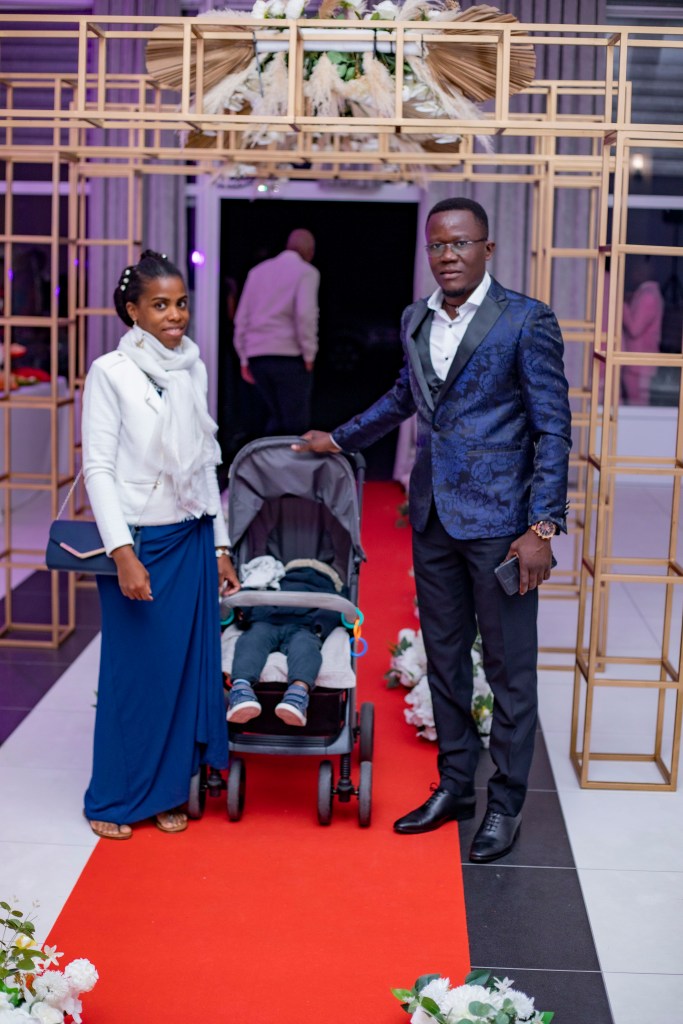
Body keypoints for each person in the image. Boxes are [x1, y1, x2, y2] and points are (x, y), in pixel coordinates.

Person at [293, 198, 571, 863]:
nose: (448, 255)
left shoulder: (525, 319)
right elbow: (404, 397)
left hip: (502, 525)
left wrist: (542, 525)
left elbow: (553, 428)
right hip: (433, 517)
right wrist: (340, 438)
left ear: (487, 248)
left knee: (508, 670)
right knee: (444, 660)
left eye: (460, 243)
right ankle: (455, 786)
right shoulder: (414, 317)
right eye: (437, 245)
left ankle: (505, 803)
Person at [81, 250, 240, 840]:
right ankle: (114, 797)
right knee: (134, 674)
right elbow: (98, 469)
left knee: (181, 673)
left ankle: (169, 790)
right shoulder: (110, 373)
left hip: (191, 537)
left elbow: (204, 464)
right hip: (141, 542)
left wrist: (220, 546)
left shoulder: (192, 368)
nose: (175, 316)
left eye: (180, 303)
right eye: (160, 305)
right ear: (133, 311)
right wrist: (123, 553)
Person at [226, 559, 344, 728]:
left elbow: (339, 608)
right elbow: (252, 592)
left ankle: (294, 694)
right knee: (253, 642)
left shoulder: (328, 589)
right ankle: (246, 690)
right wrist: (244, 611)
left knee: (300, 647)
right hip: (277, 621)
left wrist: (321, 625)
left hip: (289, 623)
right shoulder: (274, 579)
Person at [233, 228, 320, 435]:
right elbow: (305, 315)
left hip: (257, 359)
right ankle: (289, 458)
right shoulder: (306, 272)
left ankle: (267, 456)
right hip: (289, 358)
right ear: (310, 252)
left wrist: (244, 358)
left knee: (271, 420)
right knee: (294, 425)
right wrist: (309, 353)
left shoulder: (257, 272)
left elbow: (241, 318)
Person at [621, 257, 664, 405]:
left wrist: (620, 304)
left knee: (638, 403)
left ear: (646, 271)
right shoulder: (645, 293)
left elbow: (635, 329)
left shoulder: (648, 296)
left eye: (637, 269)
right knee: (636, 402)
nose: (633, 273)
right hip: (637, 363)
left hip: (639, 364)